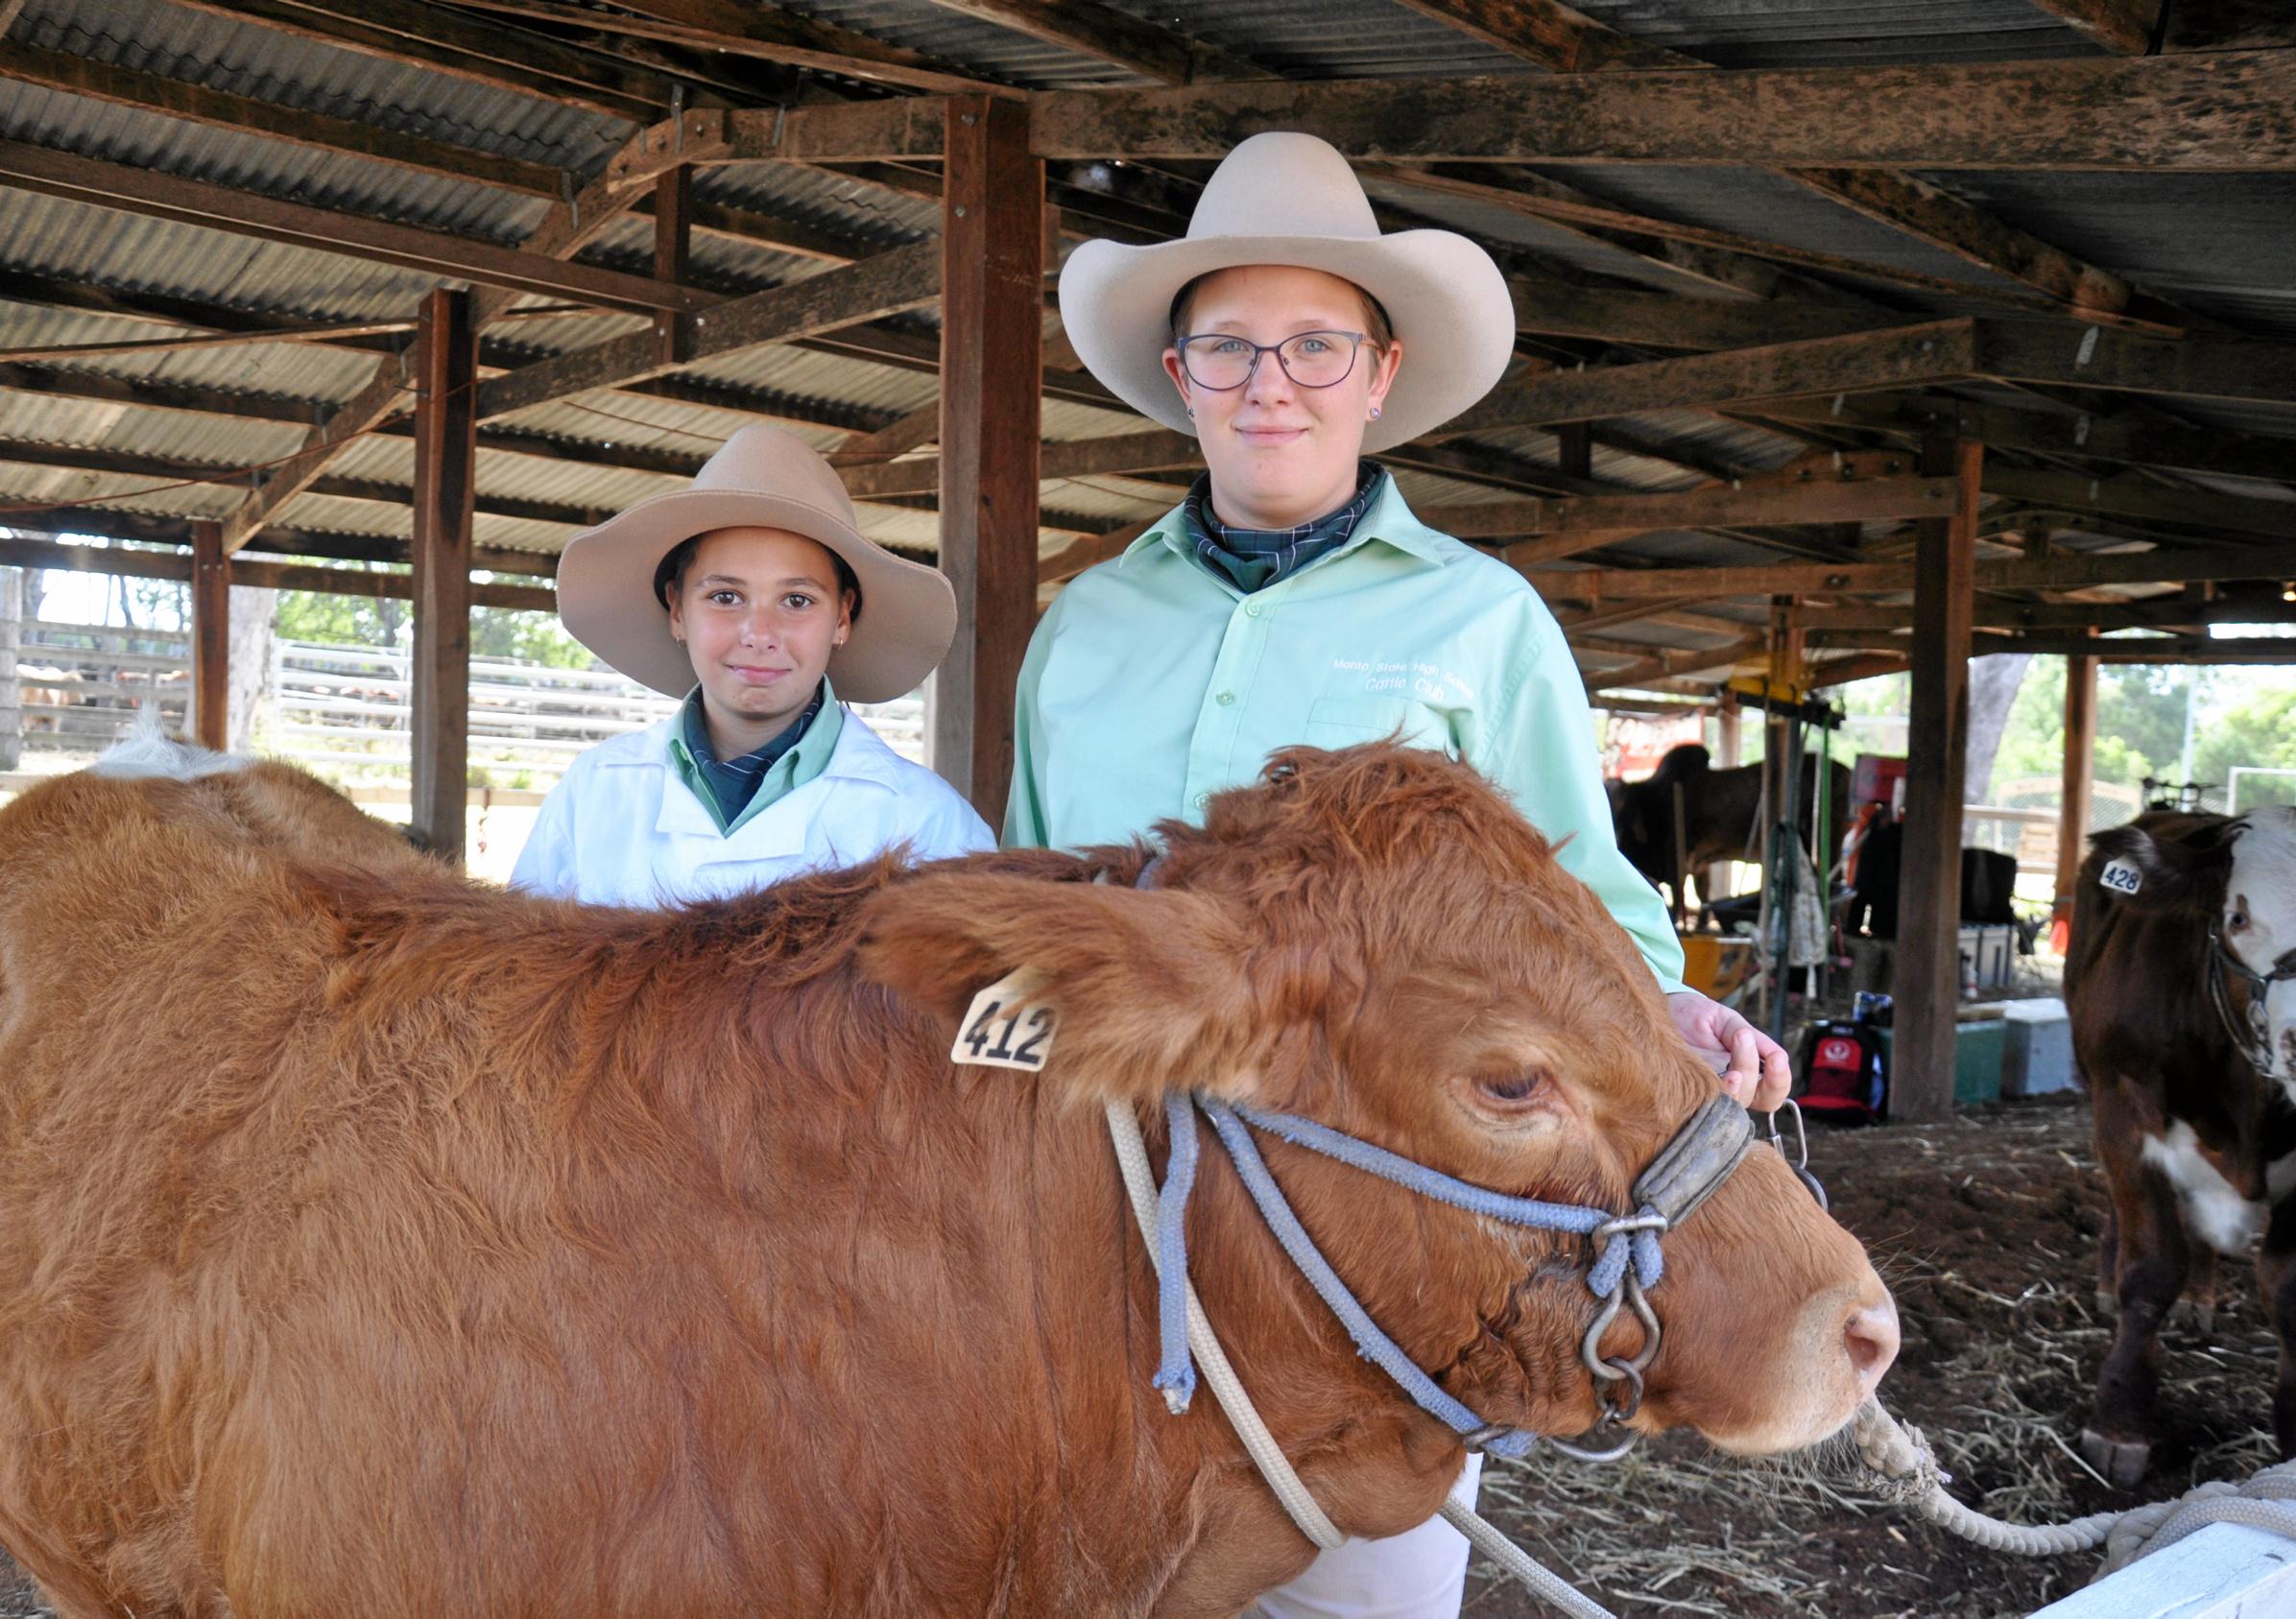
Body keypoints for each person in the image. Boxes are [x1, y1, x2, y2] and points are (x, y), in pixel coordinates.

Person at [1014, 131, 1789, 1619]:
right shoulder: (1086, 622)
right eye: (1229, 346)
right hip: (1087, 1204)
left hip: (1364, 1227)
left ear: (1377, 372)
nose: (1270, 382)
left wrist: (1668, 1013)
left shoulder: (1480, 620)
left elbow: (1590, 906)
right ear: (1179, 374)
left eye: (1314, 344)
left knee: (1354, 1584)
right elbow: (1029, 887)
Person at [512, 423, 990, 903]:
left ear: (842, 618)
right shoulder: (593, 795)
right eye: (725, 596)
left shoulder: (929, 824)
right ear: (678, 610)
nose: (760, 635)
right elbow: (513, 970)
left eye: (797, 601)